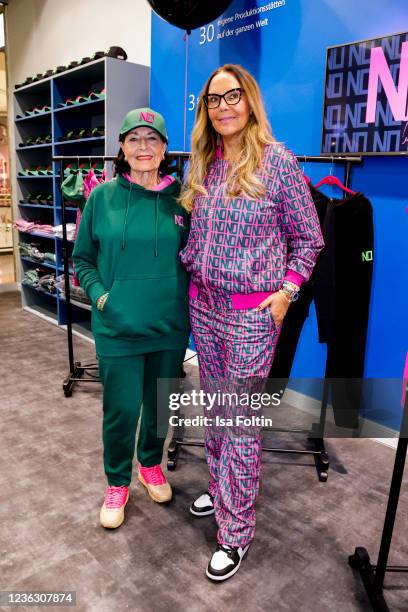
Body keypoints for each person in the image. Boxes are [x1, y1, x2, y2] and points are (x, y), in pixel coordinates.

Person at [179, 65, 324, 581]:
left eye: (232, 96)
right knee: (217, 410)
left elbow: (310, 239)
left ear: (250, 100)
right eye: (213, 99)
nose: (222, 106)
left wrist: (287, 292)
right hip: (205, 308)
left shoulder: (278, 162)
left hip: (252, 316)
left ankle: (236, 531)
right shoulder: (206, 162)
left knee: (239, 423)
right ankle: (219, 490)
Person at [73, 108, 190, 529]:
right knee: (121, 411)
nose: (144, 147)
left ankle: (150, 465)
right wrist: (103, 297)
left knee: (160, 407)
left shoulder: (184, 198)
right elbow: (82, 259)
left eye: (152, 139)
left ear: (164, 149)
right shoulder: (102, 197)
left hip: (169, 328)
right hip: (118, 328)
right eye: (135, 139)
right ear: (121, 147)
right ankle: (117, 480)